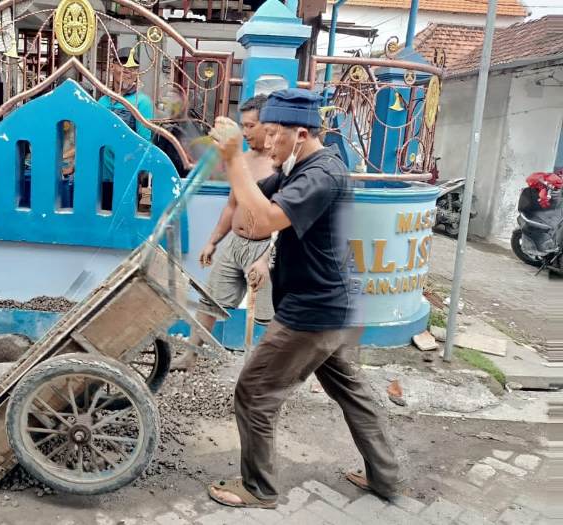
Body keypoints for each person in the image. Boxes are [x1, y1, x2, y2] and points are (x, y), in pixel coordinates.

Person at [206, 89, 401, 509]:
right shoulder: (296, 167)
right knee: (353, 393)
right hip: (334, 307)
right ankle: (386, 478)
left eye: (273, 134)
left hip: (314, 310)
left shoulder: (321, 174)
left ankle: (259, 489)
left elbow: (266, 219)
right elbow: (249, 211)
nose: (266, 143)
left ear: (299, 133)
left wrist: (235, 159)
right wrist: (232, 159)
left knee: (255, 391)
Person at [171, 94, 275, 371]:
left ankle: (256, 372)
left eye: (251, 126)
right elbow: (231, 206)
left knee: (264, 315)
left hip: (266, 247)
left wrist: (266, 259)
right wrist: (213, 241)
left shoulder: (279, 165)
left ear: (268, 125)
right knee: (210, 301)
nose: (245, 132)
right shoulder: (242, 159)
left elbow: (285, 219)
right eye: (243, 125)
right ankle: (190, 356)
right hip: (236, 243)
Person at [97, 46, 154, 211]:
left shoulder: (141, 103)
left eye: (133, 67)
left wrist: (139, 175)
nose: (127, 70)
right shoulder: (102, 102)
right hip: (101, 177)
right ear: (112, 66)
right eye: (122, 64)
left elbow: (144, 142)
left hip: (126, 177)